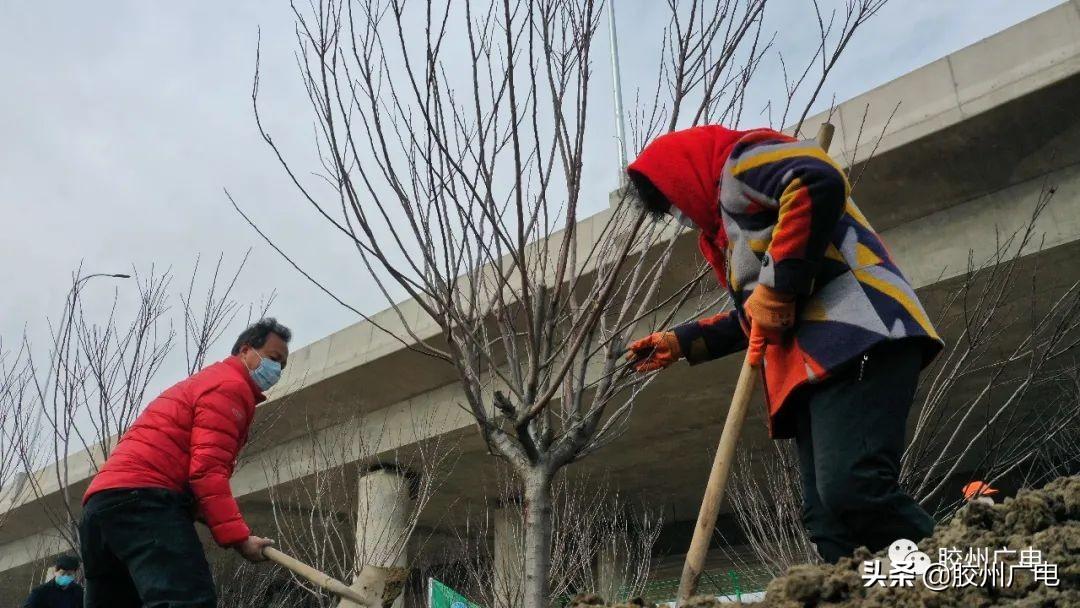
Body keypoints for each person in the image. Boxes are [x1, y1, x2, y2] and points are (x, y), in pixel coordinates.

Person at [624, 126, 943, 563]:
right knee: (827, 522)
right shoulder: (727, 231)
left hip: (859, 335)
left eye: (674, 199)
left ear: (684, 174)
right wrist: (683, 342)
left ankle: (974, 581)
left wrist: (777, 285)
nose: (680, 214)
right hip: (812, 365)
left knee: (854, 489)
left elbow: (818, 178)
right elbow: (763, 315)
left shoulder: (740, 165)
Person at [79, 318, 291, 607]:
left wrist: (232, 529)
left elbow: (192, 477)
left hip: (101, 507)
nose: (277, 371)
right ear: (245, 350)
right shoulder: (230, 387)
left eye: (283, 366)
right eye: (273, 358)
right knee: (187, 601)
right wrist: (240, 539)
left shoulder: (203, 382)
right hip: (144, 503)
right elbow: (206, 472)